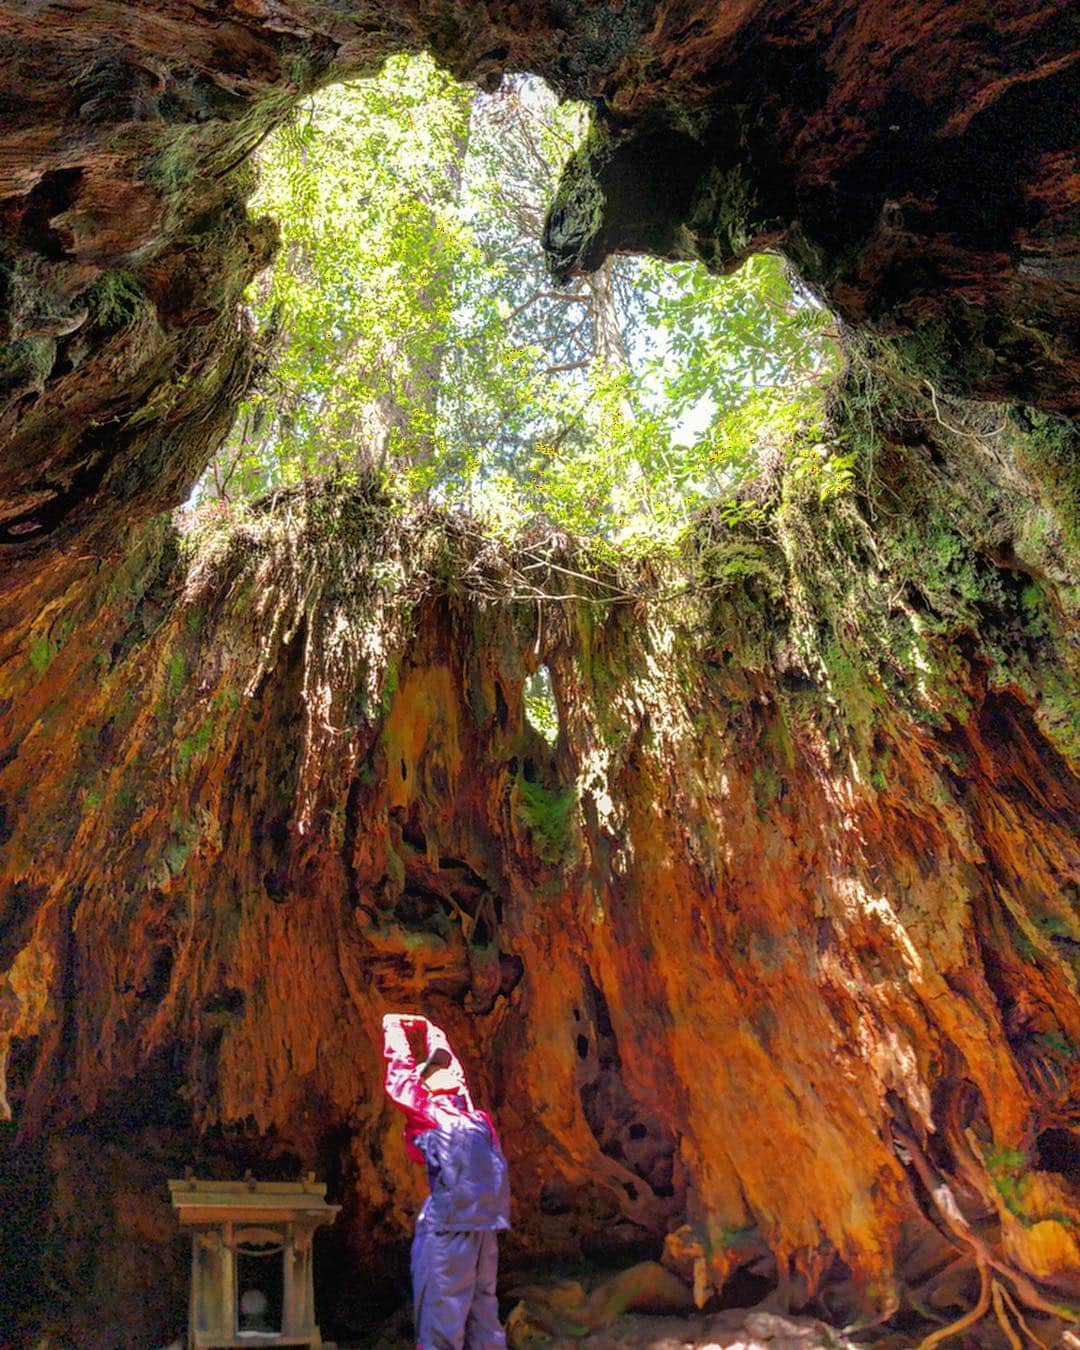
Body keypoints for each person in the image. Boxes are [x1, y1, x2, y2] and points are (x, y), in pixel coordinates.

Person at [382, 1012, 510, 1350]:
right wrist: (411, 1030)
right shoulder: (452, 1115)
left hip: (466, 1225)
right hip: (467, 1226)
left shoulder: (453, 1114)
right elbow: (415, 1080)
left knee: (464, 1321)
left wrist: (414, 1030)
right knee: (463, 1320)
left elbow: (422, 1077)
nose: (449, 1072)